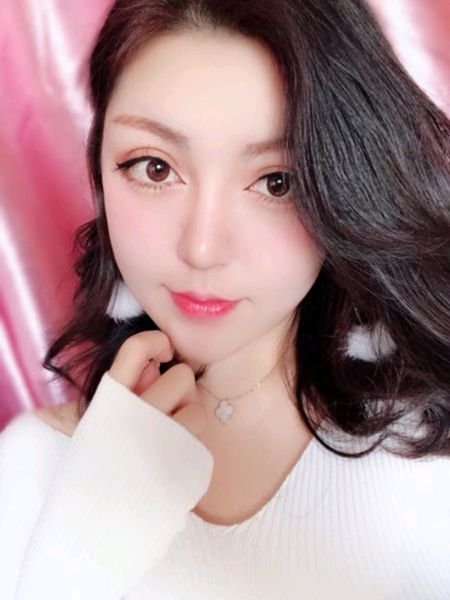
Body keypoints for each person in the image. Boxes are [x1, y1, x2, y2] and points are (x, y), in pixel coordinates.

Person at [1, 0, 449, 598]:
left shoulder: (429, 462)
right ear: (100, 168)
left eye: (276, 181)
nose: (203, 248)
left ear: (348, 185)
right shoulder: (32, 469)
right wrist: (86, 542)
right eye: (155, 168)